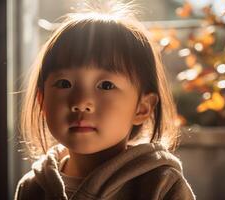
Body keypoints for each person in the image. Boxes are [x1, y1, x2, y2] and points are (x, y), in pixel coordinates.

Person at [15, 1, 195, 199]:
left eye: (106, 85)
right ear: (42, 102)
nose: (81, 102)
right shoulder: (33, 187)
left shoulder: (161, 185)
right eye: (64, 83)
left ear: (142, 108)